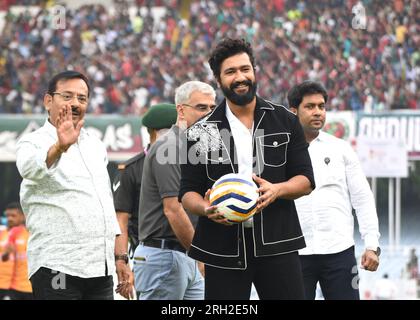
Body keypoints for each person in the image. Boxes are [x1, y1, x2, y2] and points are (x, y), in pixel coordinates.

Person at [179, 38, 315, 300]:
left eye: (245, 69)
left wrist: (278, 190)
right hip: (223, 249)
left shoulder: (283, 120)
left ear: (254, 71)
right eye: (230, 72)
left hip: (278, 243)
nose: (240, 77)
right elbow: (187, 193)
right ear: (218, 80)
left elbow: (306, 180)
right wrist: (206, 210)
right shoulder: (203, 131)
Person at [16, 71, 120, 300]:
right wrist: (59, 148)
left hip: (100, 268)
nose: (75, 103)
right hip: (58, 265)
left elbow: (105, 202)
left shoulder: (95, 145)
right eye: (67, 96)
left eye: (82, 99)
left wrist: (119, 258)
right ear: (48, 101)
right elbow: (30, 169)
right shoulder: (32, 141)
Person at [288, 80, 380, 300]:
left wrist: (372, 245)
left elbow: (362, 199)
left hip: (340, 253)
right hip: (295, 254)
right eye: (310, 106)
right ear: (293, 111)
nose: (318, 112)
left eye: (321, 106)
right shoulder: (279, 152)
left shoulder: (341, 149)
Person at [133, 80, 216, 300]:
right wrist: (201, 255)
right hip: (164, 255)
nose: (208, 113)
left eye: (212, 108)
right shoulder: (170, 147)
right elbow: (173, 209)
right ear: (181, 109)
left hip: (183, 254)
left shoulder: (196, 147)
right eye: (201, 107)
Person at [113, 103, 177, 299]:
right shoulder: (132, 169)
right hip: (147, 253)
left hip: (187, 253)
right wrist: (122, 261)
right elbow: (120, 221)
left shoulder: (188, 164)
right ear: (159, 133)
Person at [1, 202, 33, 300]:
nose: (9, 219)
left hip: (29, 286)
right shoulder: (2, 233)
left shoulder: (30, 234)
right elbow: (5, 258)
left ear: (23, 217)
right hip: (9, 287)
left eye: (13, 216)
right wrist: (7, 253)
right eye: (7, 216)